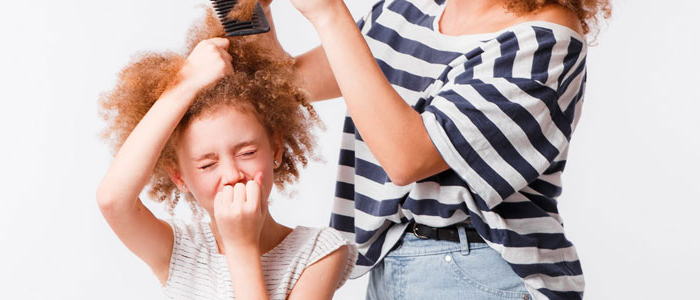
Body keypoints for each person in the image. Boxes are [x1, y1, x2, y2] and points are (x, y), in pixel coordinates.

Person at [258, 0, 611, 299]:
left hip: (482, 270)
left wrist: (329, 13)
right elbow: (290, 82)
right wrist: (253, 11)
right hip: (391, 263)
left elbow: (407, 157)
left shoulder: (545, 40)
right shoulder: (409, 9)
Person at [95, 11, 357, 300]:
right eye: (207, 164)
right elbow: (113, 201)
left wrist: (242, 247)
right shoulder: (181, 252)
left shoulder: (319, 252)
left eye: (247, 152)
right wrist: (185, 84)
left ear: (276, 148)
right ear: (179, 176)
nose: (232, 175)